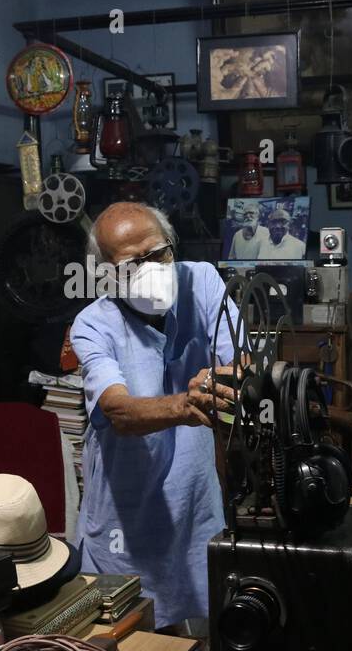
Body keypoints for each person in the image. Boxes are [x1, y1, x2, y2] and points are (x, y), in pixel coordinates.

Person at [69, 202, 240, 627]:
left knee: (203, 623)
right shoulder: (93, 325)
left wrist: (236, 377)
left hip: (193, 498)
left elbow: (243, 361)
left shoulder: (200, 282)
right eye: (131, 264)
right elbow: (118, 410)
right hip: (124, 513)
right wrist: (185, 403)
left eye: (158, 254)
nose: (151, 270)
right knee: (124, 636)